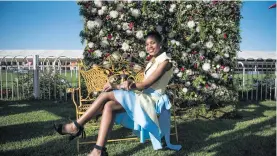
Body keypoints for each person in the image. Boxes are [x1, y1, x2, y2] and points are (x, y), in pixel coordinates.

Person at [54, 31, 182, 156]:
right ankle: (98, 151)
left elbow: (146, 84)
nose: (149, 47)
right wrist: (130, 81)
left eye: (152, 43)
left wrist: (116, 85)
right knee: (109, 106)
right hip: (143, 97)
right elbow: (142, 83)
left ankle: (75, 126)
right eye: (147, 44)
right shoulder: (151, 62)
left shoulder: (165, 62)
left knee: (106, 95)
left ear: (160, 44)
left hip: (152, 101)